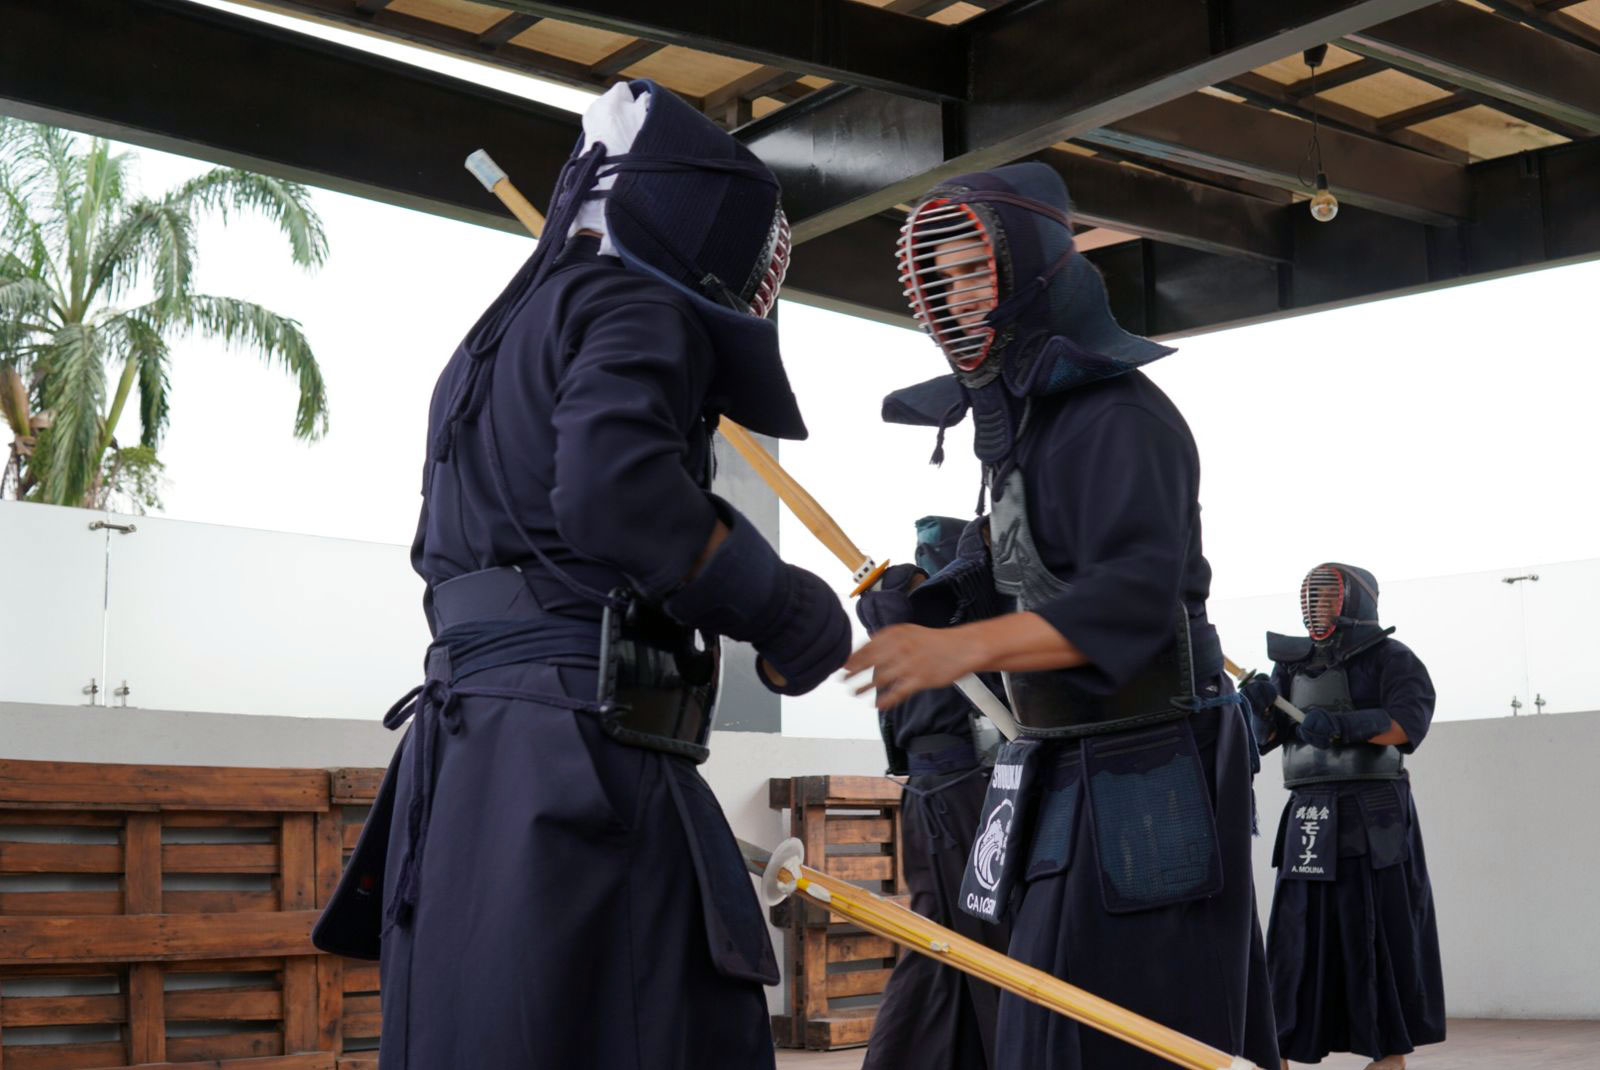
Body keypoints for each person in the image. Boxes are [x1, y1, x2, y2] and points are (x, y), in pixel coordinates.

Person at [311, 80, 851, 1069]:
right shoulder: (636, 298)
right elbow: (615, 493)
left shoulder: (496, 337)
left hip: (472, 758)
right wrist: (777, 605)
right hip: (579, 763)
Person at [846, 161, 1279, 1070]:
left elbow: (1127, 602)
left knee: (1137, 1027)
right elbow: (999, 556)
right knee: (1044, 1020)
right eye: (940, 279)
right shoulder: (1022, 433)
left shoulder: (1122, 418)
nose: (954, 299)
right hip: (1055, 764)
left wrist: (956, 646)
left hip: (1149, 770)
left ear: (1033, 264)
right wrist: (922, 602)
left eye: (973, 271)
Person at [1239, 563, 1445, 1069]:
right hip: (1308, 813)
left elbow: (1406, 724)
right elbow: (1266, 741)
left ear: (1354, 601)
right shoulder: (1292, 666)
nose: (1318, 606)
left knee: (1371, 932)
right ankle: (1279, 1050)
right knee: (1295, 937)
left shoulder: (1393, 659)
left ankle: (1387, 1053)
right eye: (1312, 597)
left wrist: (1344, 727)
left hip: (1371, 816)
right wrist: (1259, 707)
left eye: (1327, 597)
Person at [857, 516, 1011, 1070]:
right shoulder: (941, 619)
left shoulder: (896, 619)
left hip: (936, 797)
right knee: (975, 946)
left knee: (949, 942)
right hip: (962, 797)